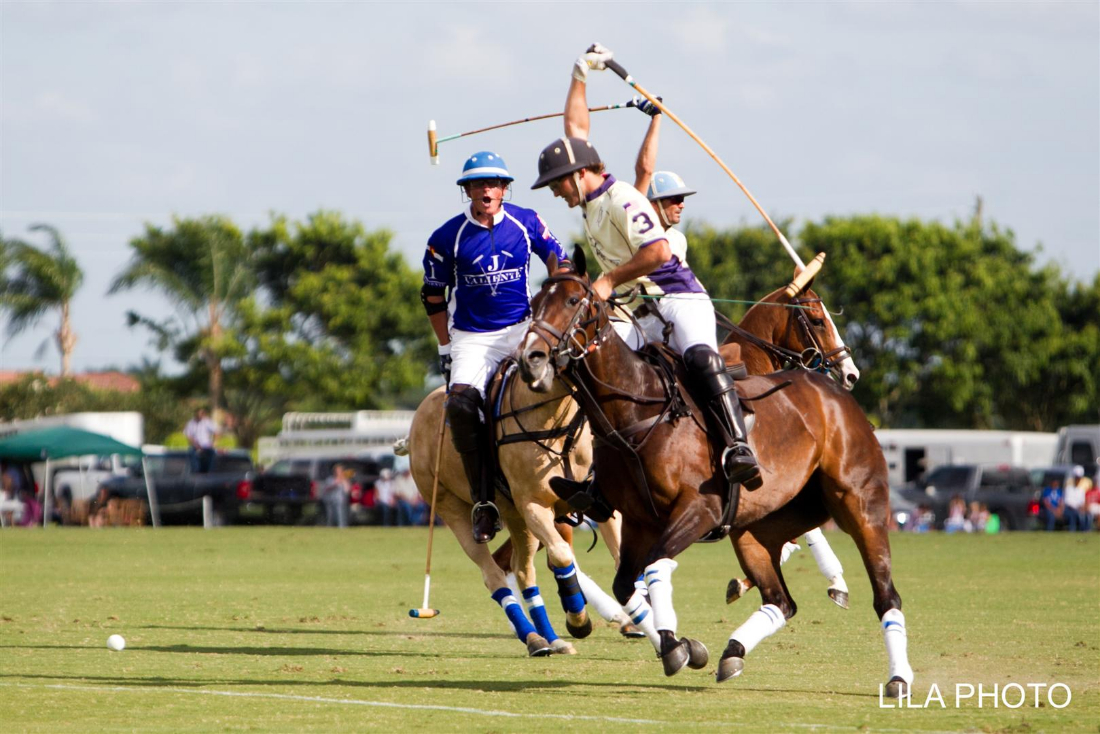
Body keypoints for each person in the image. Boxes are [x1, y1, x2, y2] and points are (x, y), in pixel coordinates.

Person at [530, 42, 761, 492]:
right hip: (640, 313)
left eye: (557, 184)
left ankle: (737, 446)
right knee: (592, 364)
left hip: (678, 300)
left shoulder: (621, 199)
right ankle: (601, 478)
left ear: (580, 174)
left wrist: (608, 280)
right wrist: (580, 72)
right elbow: (574, 128)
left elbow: (657, 253)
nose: (556, 193)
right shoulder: (591, 200)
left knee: (698, 358)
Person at [422, 150, 569, 544]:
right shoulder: (445, 237)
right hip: (473, 337)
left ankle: (582, 477)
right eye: (477, 184)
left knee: (571, 377)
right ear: (467, 190)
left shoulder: (527, 222)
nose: (485, 190)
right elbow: (433, 297)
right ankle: (484, 502)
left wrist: (557, 293)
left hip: (521, 329)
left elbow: (559, 260)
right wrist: (444, 347)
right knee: (463, 405)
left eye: (493, 183)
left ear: (504, 189)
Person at [183, 407, 219, 474]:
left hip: (206, 445)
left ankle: (209, 471)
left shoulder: (207, 422)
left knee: (212, 454)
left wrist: (214, 442)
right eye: (199, 414)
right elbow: (188, 435)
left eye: (202, 414)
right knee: (191, 453)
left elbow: (216, 432)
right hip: (195, 445)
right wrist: (195, 443)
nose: (200, 416)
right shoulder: (191, 423)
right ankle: (196, 471)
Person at [320, 463, 350, 528]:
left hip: (341, 500)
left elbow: (347, 490)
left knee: (341, 515)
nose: (339, 472)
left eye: (340, 471)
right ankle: (330, 527)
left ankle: (342, 527)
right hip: (330, 500)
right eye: (337, 471)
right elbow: (326, 489)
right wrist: (335, 483)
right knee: (330, 516)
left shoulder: (345, 479)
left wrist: (344, 481)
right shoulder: (330, 479)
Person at [1064, 466, 1087, 532]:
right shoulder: (1069, 488)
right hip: (1070, 508)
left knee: (1085, 514)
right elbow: (1067, 501)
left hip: (1078, 508)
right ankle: (1072, 530)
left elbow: (1082, 501)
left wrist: (1081, 507)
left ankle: (1085, 530)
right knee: (1073, 514)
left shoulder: (1081, 490)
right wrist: (1075, 507)